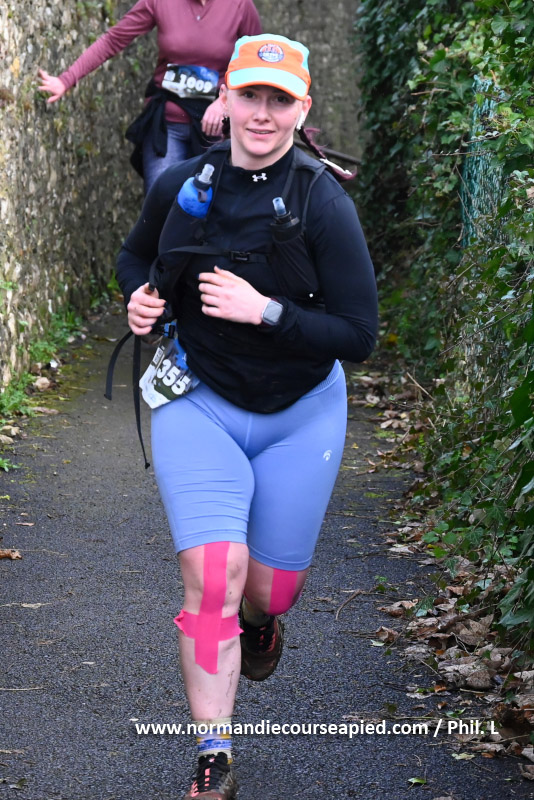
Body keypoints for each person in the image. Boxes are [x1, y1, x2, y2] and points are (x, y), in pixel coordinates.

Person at [115, 33, 378, 800]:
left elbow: (358, 335)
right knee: (212, 577)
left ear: (302, 109)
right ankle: (214, 755)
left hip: (301, 413)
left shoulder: (323, 202)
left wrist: (265, 310)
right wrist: (139, 299)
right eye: (250, 95)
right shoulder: (183, 186)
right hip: (199, 399)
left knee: (269, 592)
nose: (262, 114)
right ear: (223, 99)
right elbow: (135, 257)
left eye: (278, 100)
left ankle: (261, 624)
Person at [38, 0, 261, 192]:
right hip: (167, 124)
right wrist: (66, 80)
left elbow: (257, 64)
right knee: (160, 202)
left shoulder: (240, 6)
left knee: (210, 207)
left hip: (216, 128)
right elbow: (114, 39)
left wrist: (225, 102)